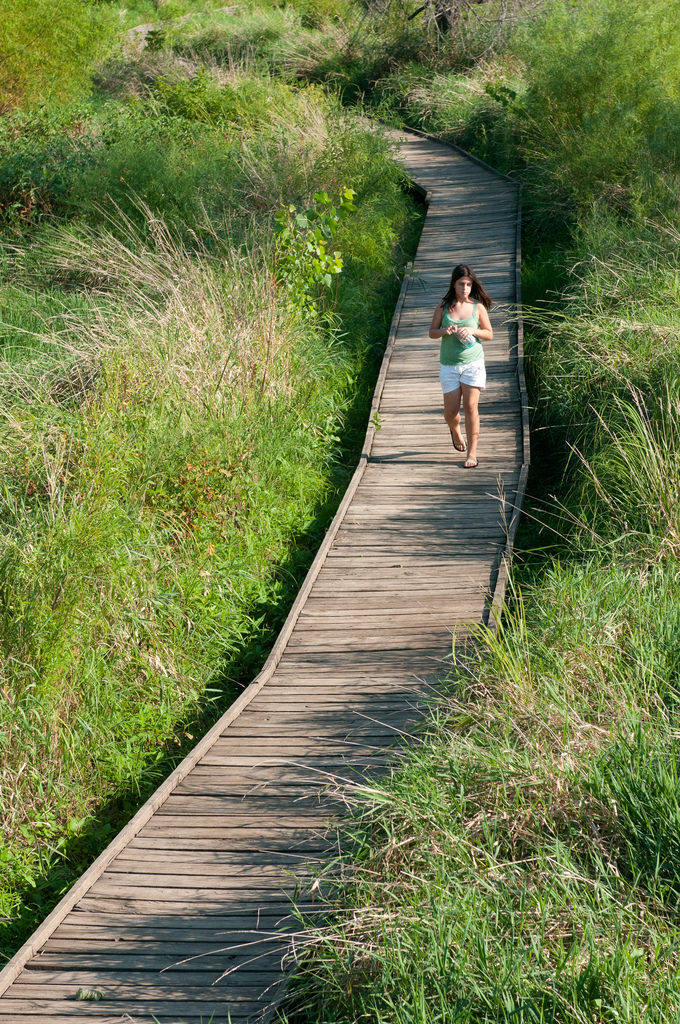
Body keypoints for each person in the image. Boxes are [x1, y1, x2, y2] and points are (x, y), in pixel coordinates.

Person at [428, 264, 493, 468]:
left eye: (468, 284)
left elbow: (489, 334)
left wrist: (472, 331)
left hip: (473, 364)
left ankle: (472, 453)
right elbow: (432, 332)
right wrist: (445, 330)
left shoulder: (477, 307)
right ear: (454, 284)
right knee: (450, 412)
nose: (465, 288)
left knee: (471, 407)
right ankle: (456, 432)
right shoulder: (444, 306)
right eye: (461, 284)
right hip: (449, 366)